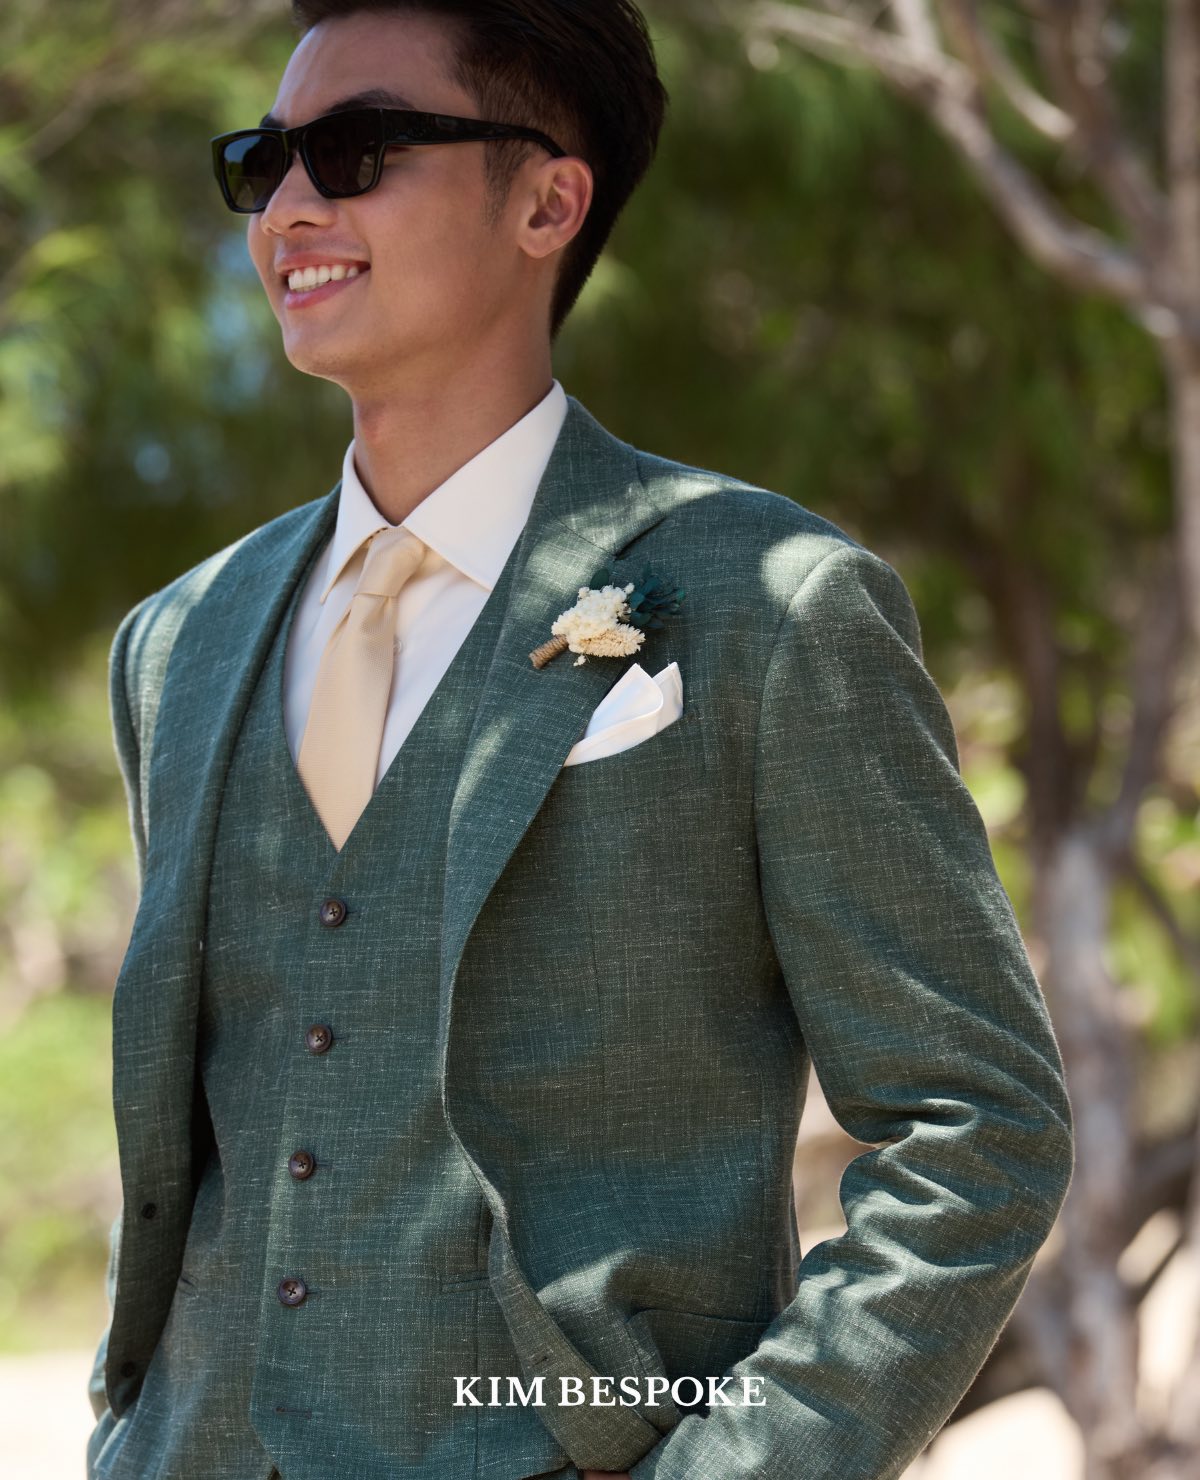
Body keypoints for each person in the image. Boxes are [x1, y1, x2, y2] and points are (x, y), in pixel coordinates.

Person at [85, 3, 1075, 1478]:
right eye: (262, 161)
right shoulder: (179, 642)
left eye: (356, 152)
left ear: (549, 201)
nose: (288, 208)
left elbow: (976, 1126)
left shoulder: (768, 603)